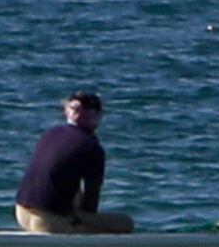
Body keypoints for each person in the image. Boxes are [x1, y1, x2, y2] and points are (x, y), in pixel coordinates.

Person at [14, 91, 133, 234]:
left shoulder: (50, 134)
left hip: (21, 213)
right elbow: (91, 197)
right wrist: (83, 219)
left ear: (67, 112)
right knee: (125, 223)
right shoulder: (92, 147)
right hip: (49, 222)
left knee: (72, 191)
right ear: (95, 115)